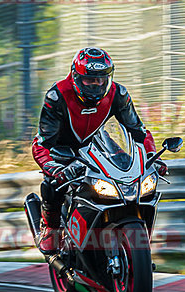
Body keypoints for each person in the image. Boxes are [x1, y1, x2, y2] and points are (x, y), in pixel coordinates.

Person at [31, 47, 166, 255]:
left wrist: (151, 158)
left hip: (97, 144)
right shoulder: (57, 96)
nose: (96, 85)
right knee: (52, 183)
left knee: (130, 174)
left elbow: (139, 132)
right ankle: (51, 229)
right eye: (89, 81)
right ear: (76, 77)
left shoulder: (118, 94)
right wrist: (54, 168)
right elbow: (41, 144)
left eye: (101, 80)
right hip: (62, 149)